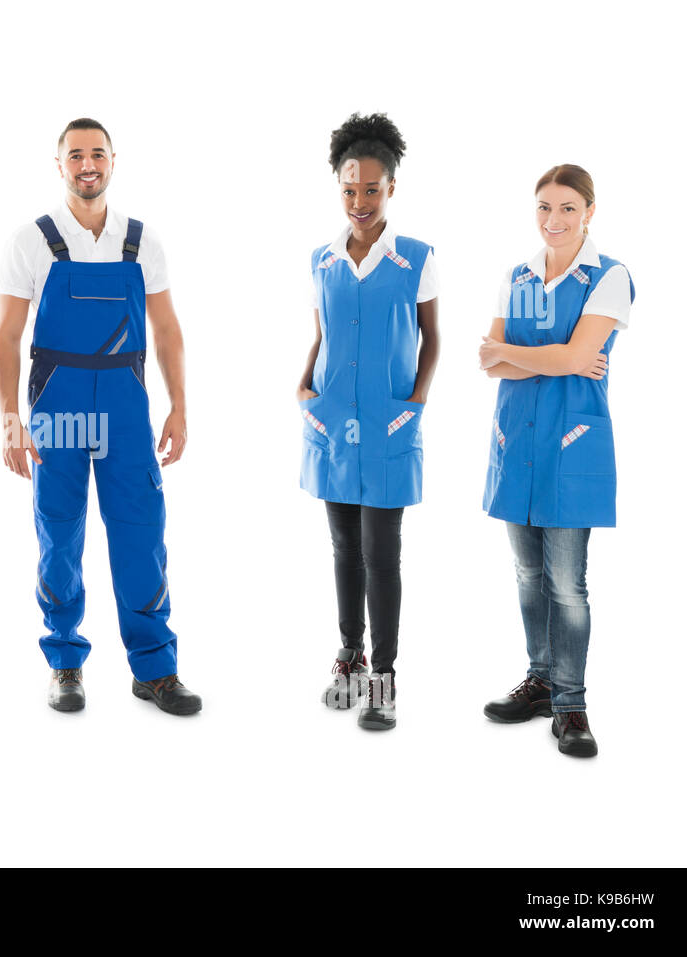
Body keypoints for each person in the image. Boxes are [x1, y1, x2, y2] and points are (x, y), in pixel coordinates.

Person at [0, 118, 200, 716]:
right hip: (58, 401)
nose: (88, 165)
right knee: (59, 532)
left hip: (125, 402)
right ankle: (65, 663)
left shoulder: (142, 241)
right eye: (76, 155)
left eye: (98, 154)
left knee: (141, 531)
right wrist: (10, 417)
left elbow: (166, 329)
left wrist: (180, 404)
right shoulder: (32, 240)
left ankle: (155, 669)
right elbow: (7, 335)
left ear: (114, 161)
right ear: (59, 165)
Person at [479, 164, 632, 759]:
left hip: (571, 442)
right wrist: (555, 358)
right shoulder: (516, 275)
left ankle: (571, 705)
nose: (555, 219)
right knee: (527, 575)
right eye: (544, 207)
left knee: (567, 585)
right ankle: (540, 680)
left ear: (589, 212)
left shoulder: (610, 276)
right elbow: (489, 362)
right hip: (516, 440)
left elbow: (572, 355)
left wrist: (516, 353)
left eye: (568, 207)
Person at [296, 113, 440, 731]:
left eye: (371, 190)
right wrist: (302, 386)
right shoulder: (321, 259)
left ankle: (384, 677)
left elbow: (432, 338)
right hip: (328, 422)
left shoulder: (416, 259)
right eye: (350, 190)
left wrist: (415, 407)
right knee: (342, 550)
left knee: (383, 554)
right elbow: (324, 331)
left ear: (392, 188)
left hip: (388, 424)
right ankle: (348, 656)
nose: (359, 202)